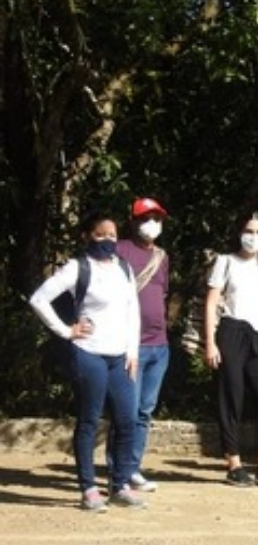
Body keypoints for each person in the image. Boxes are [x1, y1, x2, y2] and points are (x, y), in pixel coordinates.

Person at [29, 210, 146, 511]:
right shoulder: (77, 268)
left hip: (119, 356)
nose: (107, 239)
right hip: (89, 352)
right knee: (89, 420)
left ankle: (120, 485)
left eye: (112, 235)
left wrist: (132, 352)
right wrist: (66, 330)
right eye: (100, 234)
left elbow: (132, 311)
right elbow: (38, 299)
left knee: (127, 421)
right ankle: (89, 488)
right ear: (86, 236)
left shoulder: (124, 268)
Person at [203, 211, 258, 488]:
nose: (254, 237)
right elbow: (211, 302)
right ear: (239, 233)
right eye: (249, 231)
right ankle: (234, 463)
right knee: (232, 397)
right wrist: (210, 342)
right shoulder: (226, 261)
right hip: (232, 331)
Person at [108, 197, 171, 492]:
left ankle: (132, 469)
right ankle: (117, 472)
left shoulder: (162, 257)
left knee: (145, 411)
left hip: (159, 345)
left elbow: (163, 293)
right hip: (129, 345)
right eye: (146, 218)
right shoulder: (118, 251)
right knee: (126, 411)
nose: (152, 224)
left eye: (157, 218)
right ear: (132, 221)